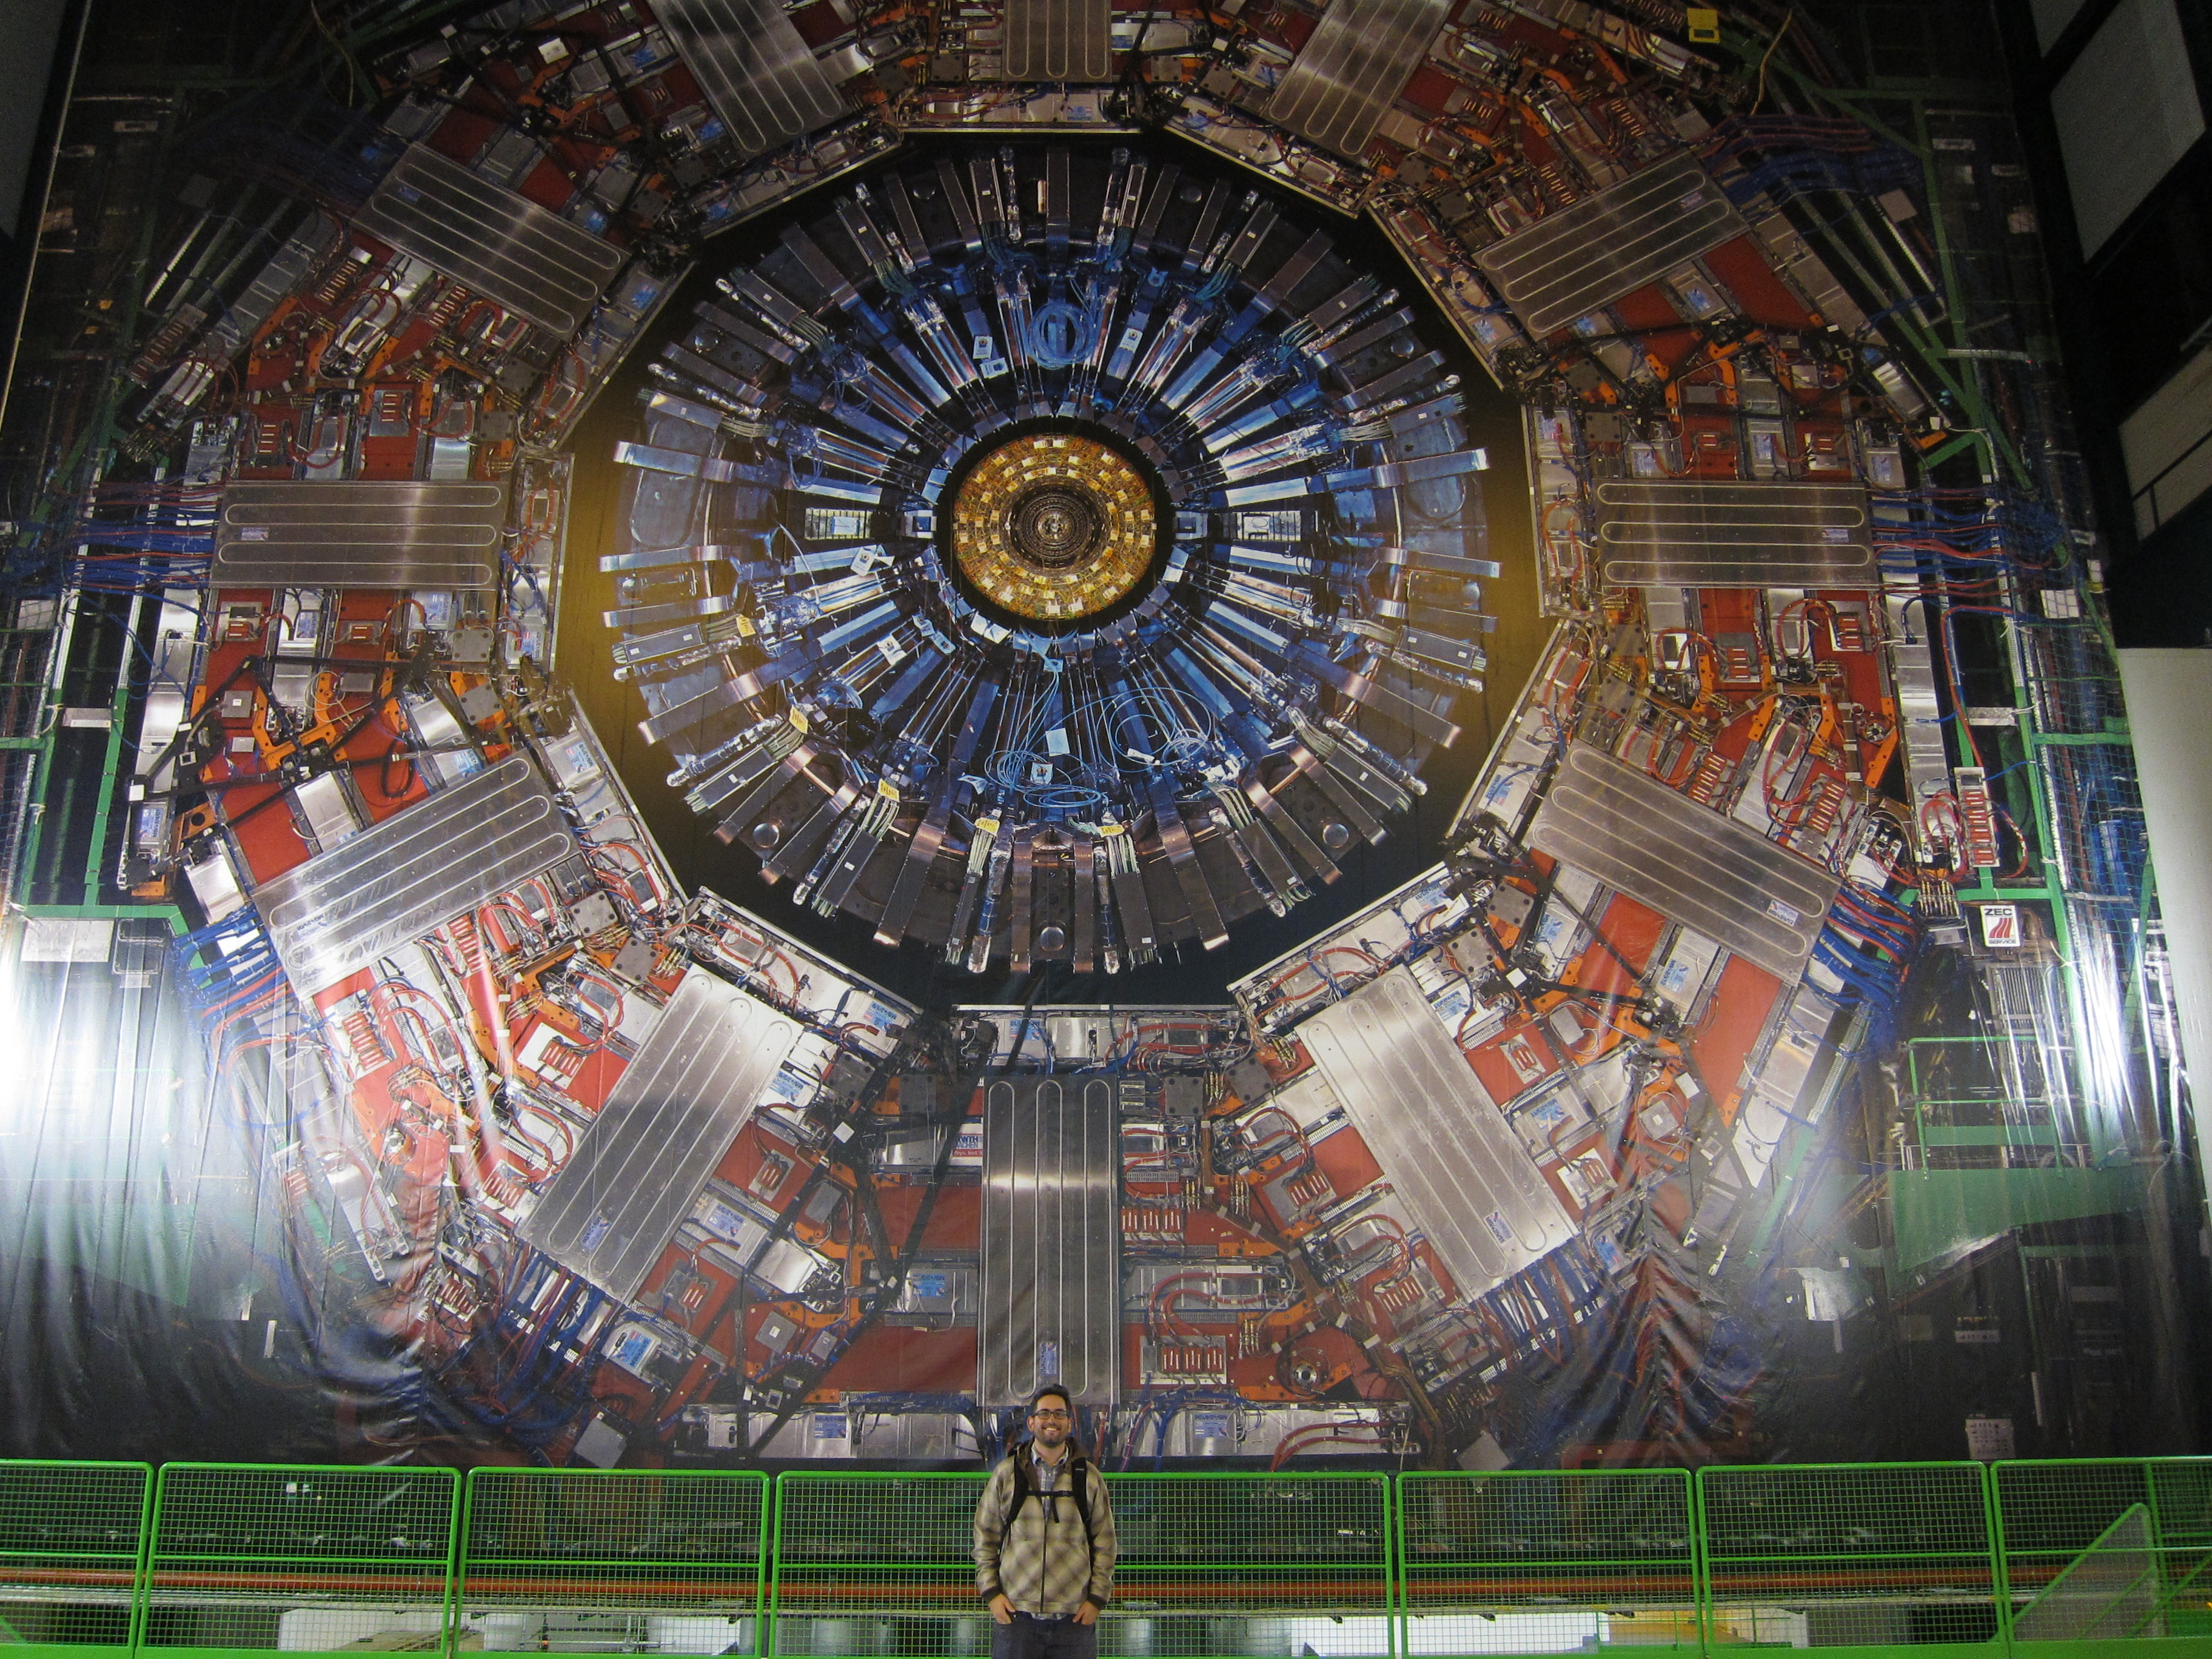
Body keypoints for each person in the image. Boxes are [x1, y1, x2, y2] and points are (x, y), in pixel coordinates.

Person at [973, 1384, 1118, 1659]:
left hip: (1074, 1620)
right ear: (1031, 1422)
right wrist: (992, 1594)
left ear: (1069, 1423)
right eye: (1044, 1414)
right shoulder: (1007, 1475)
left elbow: (1105, 1542)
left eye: (1060, 1414)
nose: (1052, 1420)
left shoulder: (1088, 1478)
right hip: (1017, 1617)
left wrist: (1097, 1600)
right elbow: (985, 1538)